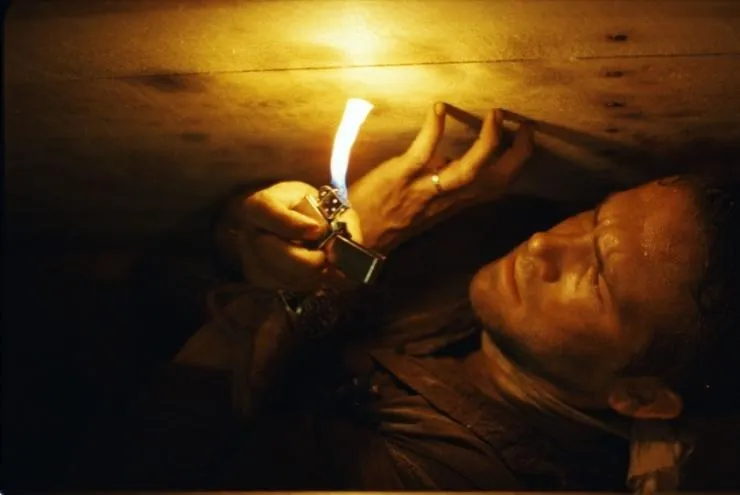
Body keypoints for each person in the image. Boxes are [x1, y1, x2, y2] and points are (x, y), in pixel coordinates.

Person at [71, 103, 740, 491]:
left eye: (595, 277)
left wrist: (298, 289)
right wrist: (259, 232)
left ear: (641, 398)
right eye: (592, 215)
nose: (544, 243)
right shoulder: (496, 244)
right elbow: (207, 269)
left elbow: (143, 464)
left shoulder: (449, 475)